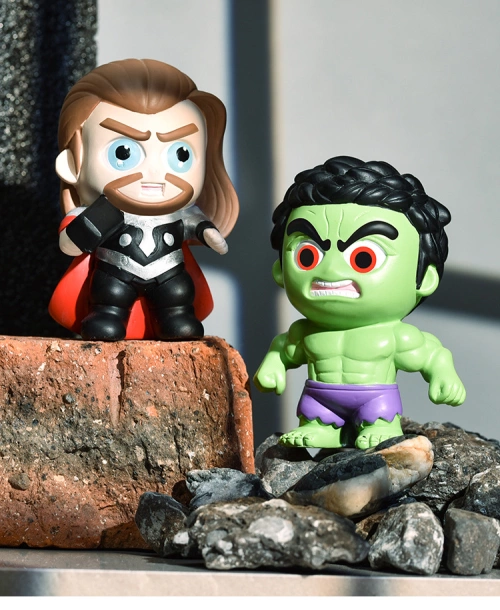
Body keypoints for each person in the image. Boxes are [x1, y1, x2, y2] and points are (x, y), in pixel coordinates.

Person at [254, 156, 465, 449]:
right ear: (280, 270)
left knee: (379, 423)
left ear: (424, 279)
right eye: (307, 255)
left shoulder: (395, 335)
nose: (330, 271)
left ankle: (379, 426)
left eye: (363, 258)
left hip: (376, 401)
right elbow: (283, 349)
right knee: (315, 419)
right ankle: (320, 427)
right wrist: (273, 367)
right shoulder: (305, 332)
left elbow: (430, 354)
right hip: (320, 400)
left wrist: (444, 373)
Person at [49, 58, 238, 341]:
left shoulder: (182, 213)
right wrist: (87, 228)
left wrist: (208, 232)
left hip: (169, 272)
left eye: (181, 154)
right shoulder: (102, 211)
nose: (155, 173)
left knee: (177, 295)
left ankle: (176, 318)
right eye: (123, 152)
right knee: (109, 296)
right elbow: (69, 244)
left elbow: (196, 224)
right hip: (115, 271)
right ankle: (106, 316)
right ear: (72, 164)